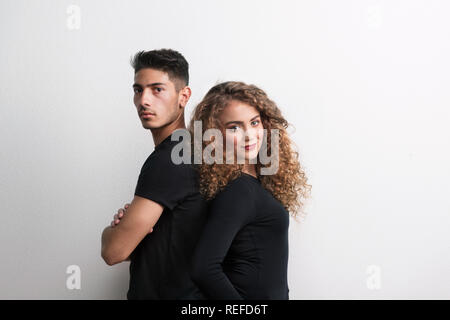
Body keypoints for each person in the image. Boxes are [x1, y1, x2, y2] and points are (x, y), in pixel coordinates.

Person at [101, 49, 208, 299]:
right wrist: (135, 234)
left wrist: (110, 232)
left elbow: (114, 252)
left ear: (184, 96)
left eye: (157, 89)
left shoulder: (168, 160)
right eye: (138, 90)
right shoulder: (192, 150)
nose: (144, 101)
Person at [189, 81, 311, 299]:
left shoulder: (254, 181)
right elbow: (204, 268)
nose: (249, 134)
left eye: (254, 123)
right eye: (234, 127)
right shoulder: (238, 190)